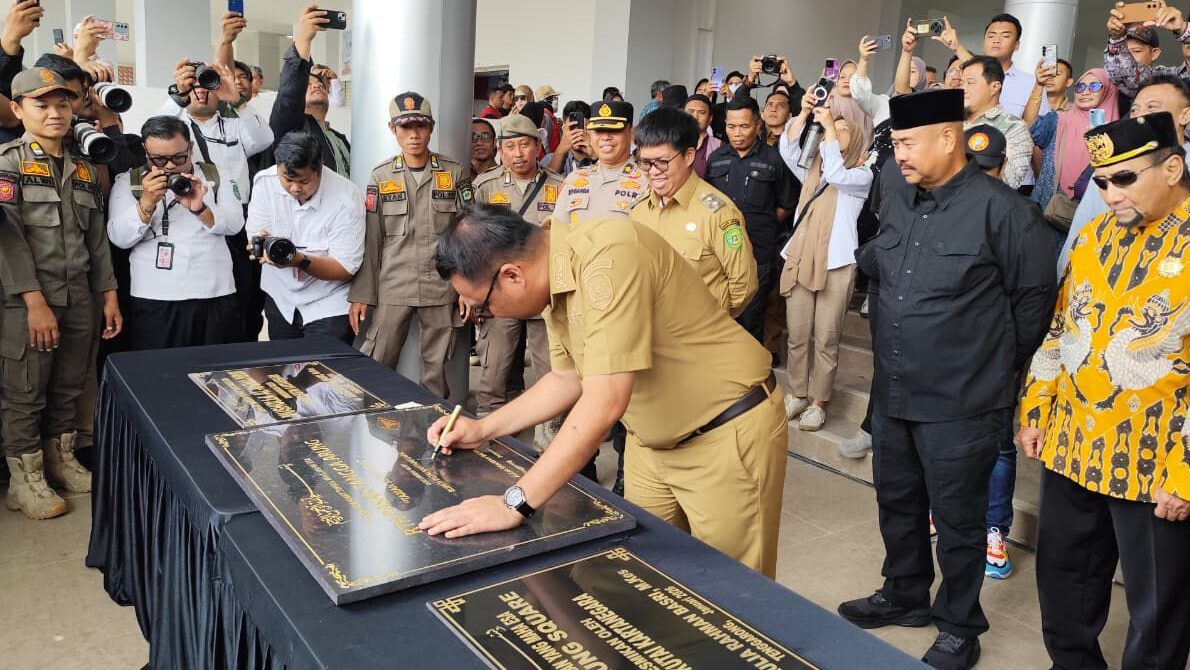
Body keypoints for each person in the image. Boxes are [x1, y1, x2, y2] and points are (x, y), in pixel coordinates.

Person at [422, 204, 788, 578]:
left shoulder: (608, 257)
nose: (490, 315)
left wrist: (513, 502)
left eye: (483, 306)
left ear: (513, 275)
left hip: (724, 434)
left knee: (734, 595)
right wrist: (483, 429)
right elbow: (567, 378)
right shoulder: (553, 275)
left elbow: (604, 401)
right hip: (652, 445)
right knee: (644, 580)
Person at [837, 89, 1056, 670]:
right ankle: (905, 592)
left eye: (908, 143)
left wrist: (994, 367)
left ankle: (959, 623)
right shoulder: (898, 192)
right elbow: (884, 268)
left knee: (958, 520)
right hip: (896, 388)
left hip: (963, 399)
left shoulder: (1004, 211)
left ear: (948, 138)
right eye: (896, 143)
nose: (897, 154)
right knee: (897, 500)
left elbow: (1034, 301)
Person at [1018, 111, 1190, 670]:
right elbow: (1063, 329)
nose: (1110, 194)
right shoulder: (1092, 236)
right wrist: (1035, 407)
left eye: (1124, 180)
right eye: (1100, 182)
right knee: (1064, 583)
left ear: (1172, 166)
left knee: (1158, 609)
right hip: (1071, 442)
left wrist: (1186, 472)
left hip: (1155, 458)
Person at [0, 68, 122, 520]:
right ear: (17, 109)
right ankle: (24, 479)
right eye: (42, 104)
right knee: (25, 391)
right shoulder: (7, 164)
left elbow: (97, 241)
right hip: (26, 303)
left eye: (64, 103)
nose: (55, 112)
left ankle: (59, 460)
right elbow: (7, 242)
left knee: (70, 386)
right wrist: (33, 301)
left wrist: (108, 295)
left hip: (80, 299)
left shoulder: (85, 167)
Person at [348, 92, 472, 397]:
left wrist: (468, 287)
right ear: (393, 129)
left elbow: (469, 234)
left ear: (431, 128)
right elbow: (372, 238)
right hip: (394, 283)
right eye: (405, 127)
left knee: (436, 369)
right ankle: (373, 422)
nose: (414, 134)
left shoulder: (454, 173)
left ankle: (434, 428)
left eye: (420, 125)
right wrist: (363, 294)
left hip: (441, 285)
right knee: (379, 359)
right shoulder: (381, 175)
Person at [778, 90, 873, 432]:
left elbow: (836, 173)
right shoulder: (811, 171)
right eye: (833, 129)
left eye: (843, 130)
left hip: (837, 265)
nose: (833, 132)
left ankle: (819, 402)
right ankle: (797, 393)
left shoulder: (861, 176)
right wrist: (803, 115)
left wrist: (830, 127)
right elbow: (787, 149)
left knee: (827, 337)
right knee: (798, 334)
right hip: (802, 259)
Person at [107, 116, 244, 350]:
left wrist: (201, 209)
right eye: (159, 159)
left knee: (216, 373)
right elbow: (118, 238)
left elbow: (235, 225)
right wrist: (146, 204)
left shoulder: (216, 176)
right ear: (145, 151)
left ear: (190, 148)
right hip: (154, 296)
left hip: (214, 293)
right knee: (160, 375)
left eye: (179, 157)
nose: (170, 166)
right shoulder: (129, 181)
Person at [471, 114, 563, 416]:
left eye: (525, 145)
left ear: (538, 147)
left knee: (551, 367)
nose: (518, 153)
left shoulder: (559, 186)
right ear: (500, 150)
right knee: (493, 369)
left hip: (543, 293)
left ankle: (547, 430)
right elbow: (474, 241)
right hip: (501, 294)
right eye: (510, 147)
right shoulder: (486, 186)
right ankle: (490, 427)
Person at [630, 106, 757, 316]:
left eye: (662, 162)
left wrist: (708, 323)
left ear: (689, 156)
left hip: (698, 339)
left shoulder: (718, 214)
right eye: (645, 162)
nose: (653, 172)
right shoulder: (640, 210)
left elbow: (743, 286)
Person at [1061, 75, 1190, 272]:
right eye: (1135, 109)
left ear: (1185, 115)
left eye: (1152, 108)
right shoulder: (1112, 167)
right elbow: (1082, 227)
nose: (1140, 116)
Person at [247, 131, 363, 345]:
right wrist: (260, 246)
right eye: (287, 179)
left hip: (328, 303)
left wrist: (299, 260)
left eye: (304, 181)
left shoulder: (346, 198)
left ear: (319, 169)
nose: (295, 188)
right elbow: (255, 235)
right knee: (282, 372)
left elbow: (345, 268)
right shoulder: (265, 183)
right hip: (281, 300)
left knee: (325, 374)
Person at [707, 95, 798, 343]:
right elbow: (705, 201)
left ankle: (749, 378)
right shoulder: (716, 159)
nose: (737, 133)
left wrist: (761, 225)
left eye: (744, 126)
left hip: (758, 253)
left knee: (751, 318)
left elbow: (786, 203)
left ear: (758, 125)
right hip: (718, 254)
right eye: (731, 126)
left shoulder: (773, 159)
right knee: (717, 317)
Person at [269, 5, 350, 175]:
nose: (317, 85)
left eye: (321, 84)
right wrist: (303, 40)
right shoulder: (291, 130)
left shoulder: (339, 139)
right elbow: (289, 95)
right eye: (308, 84)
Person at [1028, 67, 1119, 220]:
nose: (1085, 92)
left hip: (1089, 218)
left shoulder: (1118, 133)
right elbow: (1031, 126)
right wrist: (1038, 85)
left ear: (1108, 92)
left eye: (1095, 86)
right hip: (1044, 211)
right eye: (1080, 86)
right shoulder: (1058, 120)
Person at [932, 13, 1048, 119]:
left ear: (1016, 45)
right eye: (991, 36)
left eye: (1005, 36)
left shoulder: (1032, 84)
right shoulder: (965, 78)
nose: (996, 40)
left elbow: (1035, 127)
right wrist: (956, 46)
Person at [554, 100, 646, 226]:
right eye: (598, 131)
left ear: (630, 131)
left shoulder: (647, 180)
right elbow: (558, 232)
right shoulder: (574, 179)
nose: (605, 137)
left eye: (614, 130)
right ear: (590, 133)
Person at [960, 56, 1034, 190]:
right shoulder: (951, 122)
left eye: (970, 82)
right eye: (961, 82)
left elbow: (1010, 182)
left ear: (994, 87)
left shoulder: (1014, 127)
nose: (962, 88)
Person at [1104, 3, 1190, 99]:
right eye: (1125, 52)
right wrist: (1117, 39)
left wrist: (1184, 30)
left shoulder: (1173, 78)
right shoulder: (1159, 79)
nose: (1129, 57)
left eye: (1136, 51)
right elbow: (1129, 81)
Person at [544, 101, 594, 176]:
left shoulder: (601, 157)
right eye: (572, 127)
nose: (578, 133)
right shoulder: (550, 159)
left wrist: (594, 154)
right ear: (563, 129)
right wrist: (560, 151)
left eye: (582, 127)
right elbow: (544, 185)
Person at [1024, 58, 1074, 124]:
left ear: (1068, 82)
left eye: (1056, 74)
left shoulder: (1075, 111)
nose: (1049, 78)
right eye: (1047, 74)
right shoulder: (1029, 106)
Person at [684, 93, 721, 178]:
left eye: (701, 113)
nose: (695, 117)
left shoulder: (719, 146)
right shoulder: (672, 143)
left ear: (710, 118)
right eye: (691, 112)